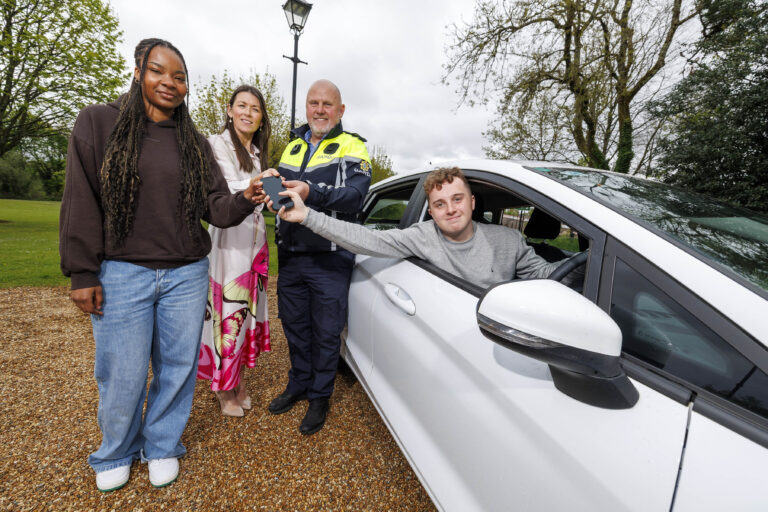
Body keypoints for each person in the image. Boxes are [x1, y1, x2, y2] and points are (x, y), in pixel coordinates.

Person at [59, 40, 267, 492]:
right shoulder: (99, 122)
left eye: (179, 77)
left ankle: (162, 445)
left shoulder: (191, 141)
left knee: (176, 367)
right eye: (158, 71)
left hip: (185, 273)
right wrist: (82, 271)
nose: (169, 83)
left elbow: (213, 204)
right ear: (138, 71)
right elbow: (81, 198)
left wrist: (243, 198)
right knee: (122, 370)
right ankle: (115, 450)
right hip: (122, 271)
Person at [268, 79, 372, 435]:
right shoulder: (292, 147)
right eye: (314, 103)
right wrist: (271, 187)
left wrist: (311, 191)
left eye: (327, 104)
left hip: (330, 257)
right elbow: (284, 198)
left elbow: (355, 197)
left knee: (326, 334)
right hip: (292, 255)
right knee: (295, 328)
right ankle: (299, 383)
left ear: (340, 110)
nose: (320, 110)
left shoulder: (353, 145)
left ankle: (319, 396)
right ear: (307, 108)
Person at [269, 167, 572, 289]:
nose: (451, 209)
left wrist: (594, 260)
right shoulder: (421, 236)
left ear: (473, 201)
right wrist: (308, 216)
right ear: (431, 210)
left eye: (457, 199)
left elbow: (549, 276)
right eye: (439, 204)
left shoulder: (509, 240)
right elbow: (364, 237)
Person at [196, 85, 273, 417]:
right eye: (241, 106)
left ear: (260, 119)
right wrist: (260, 185)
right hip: (228, 244)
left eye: (255, 109)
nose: (247, 113)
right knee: (227, 315)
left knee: (244, 318)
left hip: (255, 244)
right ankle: (224, 389)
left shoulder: (256, 154)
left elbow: (260, 198)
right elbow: (224, 189)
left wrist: (275, 194)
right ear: (229, 110)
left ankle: (239, 380)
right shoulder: (216, 144)